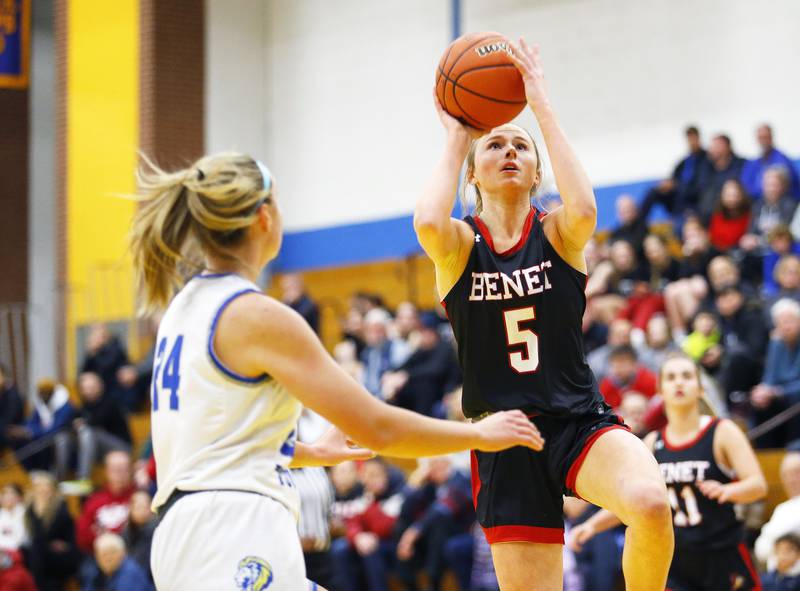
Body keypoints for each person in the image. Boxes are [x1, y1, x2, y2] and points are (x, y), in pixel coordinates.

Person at [128, 153, 541, 591]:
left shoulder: (183, 308)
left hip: (185, 532)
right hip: (233, 529)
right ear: (265, 217)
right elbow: (378, 427)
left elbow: (213, 438)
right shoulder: (255, 315)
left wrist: (310, 452)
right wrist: (481, 434)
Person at [414, 38, 673, 590]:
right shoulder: (460, 246)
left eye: (521, 147)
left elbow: (583, 208)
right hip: (505, 438)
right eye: (495, 146)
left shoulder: (556, 233)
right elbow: (428, 224)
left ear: (536, 173)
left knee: (650, 502)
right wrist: (459, 135)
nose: (509, 151)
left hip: (578, 419)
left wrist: (541, 107)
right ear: (473, 175)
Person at [569, 352, 767, 590]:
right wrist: (592, 525)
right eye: (671, 378)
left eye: (686, 376)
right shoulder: (653, 442)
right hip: (677, 561)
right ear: (660, 392)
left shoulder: (722, 431)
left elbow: (758, 485)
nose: (679, 382)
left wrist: (728, 491)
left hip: (722, 554)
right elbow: (635, 502)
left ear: (700, 388)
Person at [24, 471, 81, 591]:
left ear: (53, 490)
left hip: (64, 554)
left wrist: (64, 546)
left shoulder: (61, 510)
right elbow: (36, 537)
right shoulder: (30, 509)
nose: (43, 491)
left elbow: (68, 540)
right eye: (40, 488)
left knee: (38, 551)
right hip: (43, 554)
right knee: (36, 551)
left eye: (47, 488)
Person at [76, 450, 136, 554]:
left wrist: (103, 533)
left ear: (130, 471)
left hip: (130, 553)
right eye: (116, 470)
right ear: (107, 471)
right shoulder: (95, 499)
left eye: (124, 470)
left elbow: (140, 533)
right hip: (98, 554)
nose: (120, 475)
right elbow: (82, 536)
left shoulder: (138, 497)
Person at [756, 452, 800, 571]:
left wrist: (771, 536)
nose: (792, 480)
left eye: (797, 473)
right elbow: (761, 549)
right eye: (787, 475)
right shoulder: (782, 509)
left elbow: (772, 535)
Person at [741, 124, 800, 200]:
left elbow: (784, 187)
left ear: (771, 138)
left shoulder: (782, 160)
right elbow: (745, 185)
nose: (763, 141)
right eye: (760, 138)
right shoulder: (752, 164)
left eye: (765, 137)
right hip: (758, 204)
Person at [81, 532, 153, 591]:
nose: (108, 558)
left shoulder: (131, 573)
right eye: (103, 554)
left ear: (123, 553)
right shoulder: (95, 572)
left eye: (112, 553)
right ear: (96, 557)